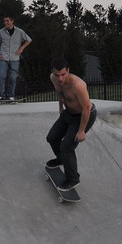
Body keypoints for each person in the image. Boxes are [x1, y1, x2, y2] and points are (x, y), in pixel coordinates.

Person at [45, 57, 96, 191]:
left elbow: (86, 108)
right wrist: (61, 107)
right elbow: (60, 93)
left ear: (68, 70)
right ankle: (62, 159)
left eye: (63, 74)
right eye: (57, 75)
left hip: (83, 115)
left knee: (66, 147)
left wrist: (81, 131)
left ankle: (73, 179)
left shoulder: (78, 85)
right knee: (52, 137)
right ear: (52, 72)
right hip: (68, 112)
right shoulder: (53, 78)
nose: (60, 78)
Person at [0, 16, 32, 100]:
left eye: (7, 21)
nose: (5, 23)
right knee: (1, 76)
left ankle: (11, 95)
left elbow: (29, 40)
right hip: (3, 58)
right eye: (4, 21)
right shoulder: (0, 32)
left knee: (13, 78)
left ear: (12, 21)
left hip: (15, 59)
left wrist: (21, 48)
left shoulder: (20, 32)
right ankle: (0, 95)